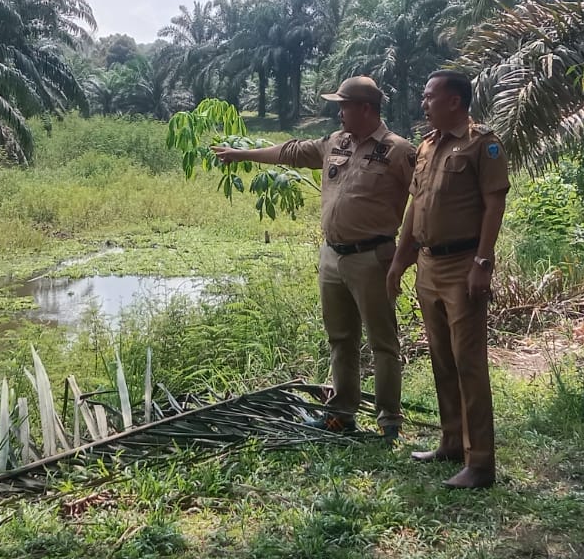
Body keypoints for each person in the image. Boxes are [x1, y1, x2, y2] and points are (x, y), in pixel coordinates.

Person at [212, 76, 415, 440]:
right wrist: (242, 154)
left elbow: (425, 197)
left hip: (373, 257)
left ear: (365, 108)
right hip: (333, 257)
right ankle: (341, 414)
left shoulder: (398, 150)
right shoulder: (336, 142)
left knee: (382, 342)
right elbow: (291, 152)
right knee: (340, 338)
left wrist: (408, 254)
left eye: (344, 105)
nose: (339, 113)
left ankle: (389, 421)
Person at [387, 70, 510, 489]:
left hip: (462, 265)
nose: (424, 103)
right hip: (429, 264)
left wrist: (483, 262)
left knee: (468, 363)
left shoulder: (483, 144)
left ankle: (481, 463)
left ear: (454, 101)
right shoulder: (427, 145)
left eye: (429, 96)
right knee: (441, 358)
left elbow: (494, 205)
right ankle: (452, 441)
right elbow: (416, 207)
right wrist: (400, 261)